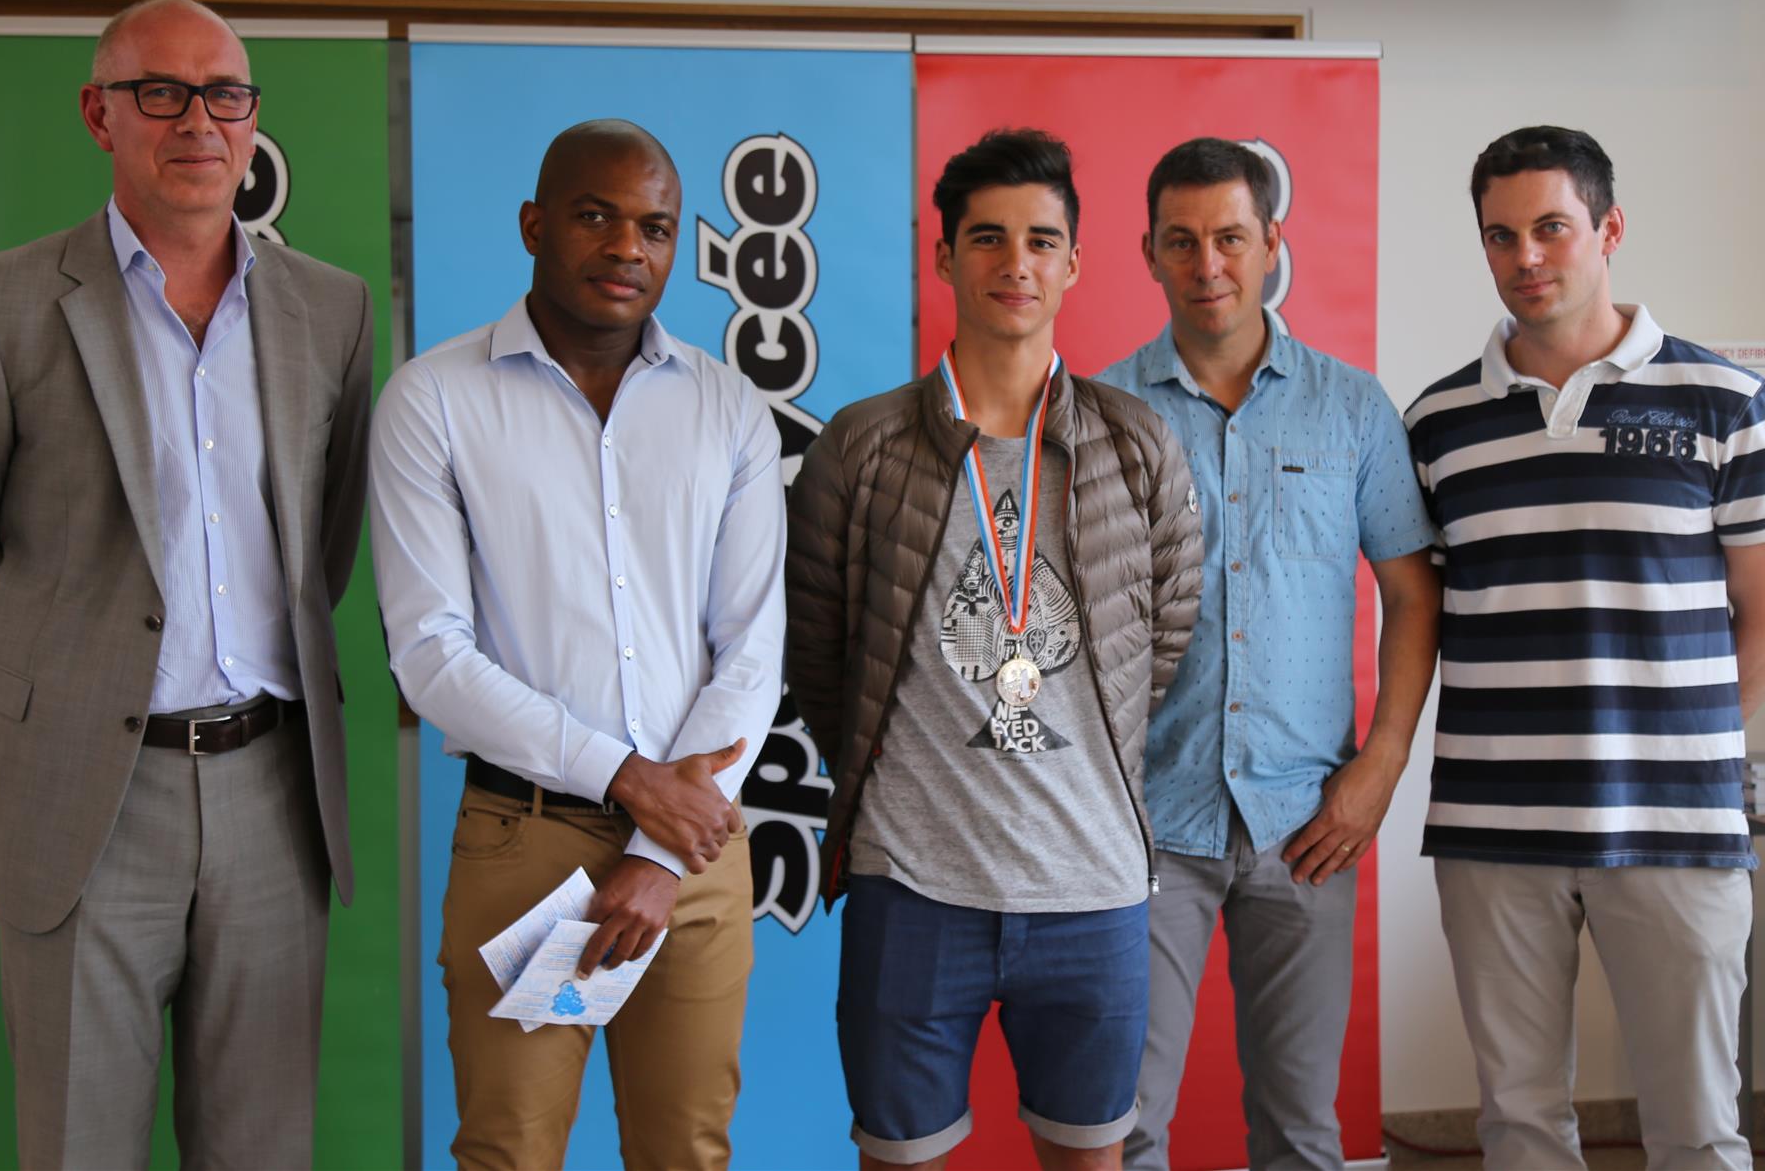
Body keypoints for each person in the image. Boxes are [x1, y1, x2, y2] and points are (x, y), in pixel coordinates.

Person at [0, 0, 374, 1168]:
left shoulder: (331, 307)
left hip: (274, 793)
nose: (197, 121)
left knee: (261, 1148)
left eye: (225, 95)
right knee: (78, 1146)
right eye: (161, 92)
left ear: (252, 121)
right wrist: (77, 671)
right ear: (98, 114)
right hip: (88, 800)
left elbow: (324, 547)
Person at [369, 119, 786, 1170]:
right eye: (596, 217)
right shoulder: (435, 399)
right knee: (508, 1153)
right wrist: (630, 781)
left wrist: (656, 849)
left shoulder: (728, 408)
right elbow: (430, 655)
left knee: (685, 1154)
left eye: (655, 227)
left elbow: (750, 648)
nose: (626, 248)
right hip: (528, 844)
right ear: (533, 224)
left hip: (690, 858)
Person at [787, 128, 1203, 1171]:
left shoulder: (1135, 443)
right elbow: (821, 654)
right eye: (986, 238)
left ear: (1074, 263)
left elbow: (1162, 640)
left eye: (1039, 240)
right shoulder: (862, 445)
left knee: (1089, 1158)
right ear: (944, 256)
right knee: (901, 1157)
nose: (1014, 263)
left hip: (1092, 886)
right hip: (912, 885)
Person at [1405, 126, 1765, 1171]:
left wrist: (1668, 747)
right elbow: (1423, 612)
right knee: (1518, 1126)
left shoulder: (1729, 406)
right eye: (1500, 236)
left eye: (1551, 227)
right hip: (1492, 828)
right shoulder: (1436, 423)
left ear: (1609, 228)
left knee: (1695, 1131)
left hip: (1675, 825)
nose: (1525, 256)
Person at [1097, 138, 1440, 1171]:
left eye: (1230, 238)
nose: (1208, 265)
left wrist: (1381, 766)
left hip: (1308, 823)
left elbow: (1412, 596)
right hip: (1143, 824)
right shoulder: (1102, 413)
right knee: (1120, 1123)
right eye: (1181, 241)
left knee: (1300, 1130)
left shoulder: (1351, 407)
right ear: (1147, 253)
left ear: (1271, 243)